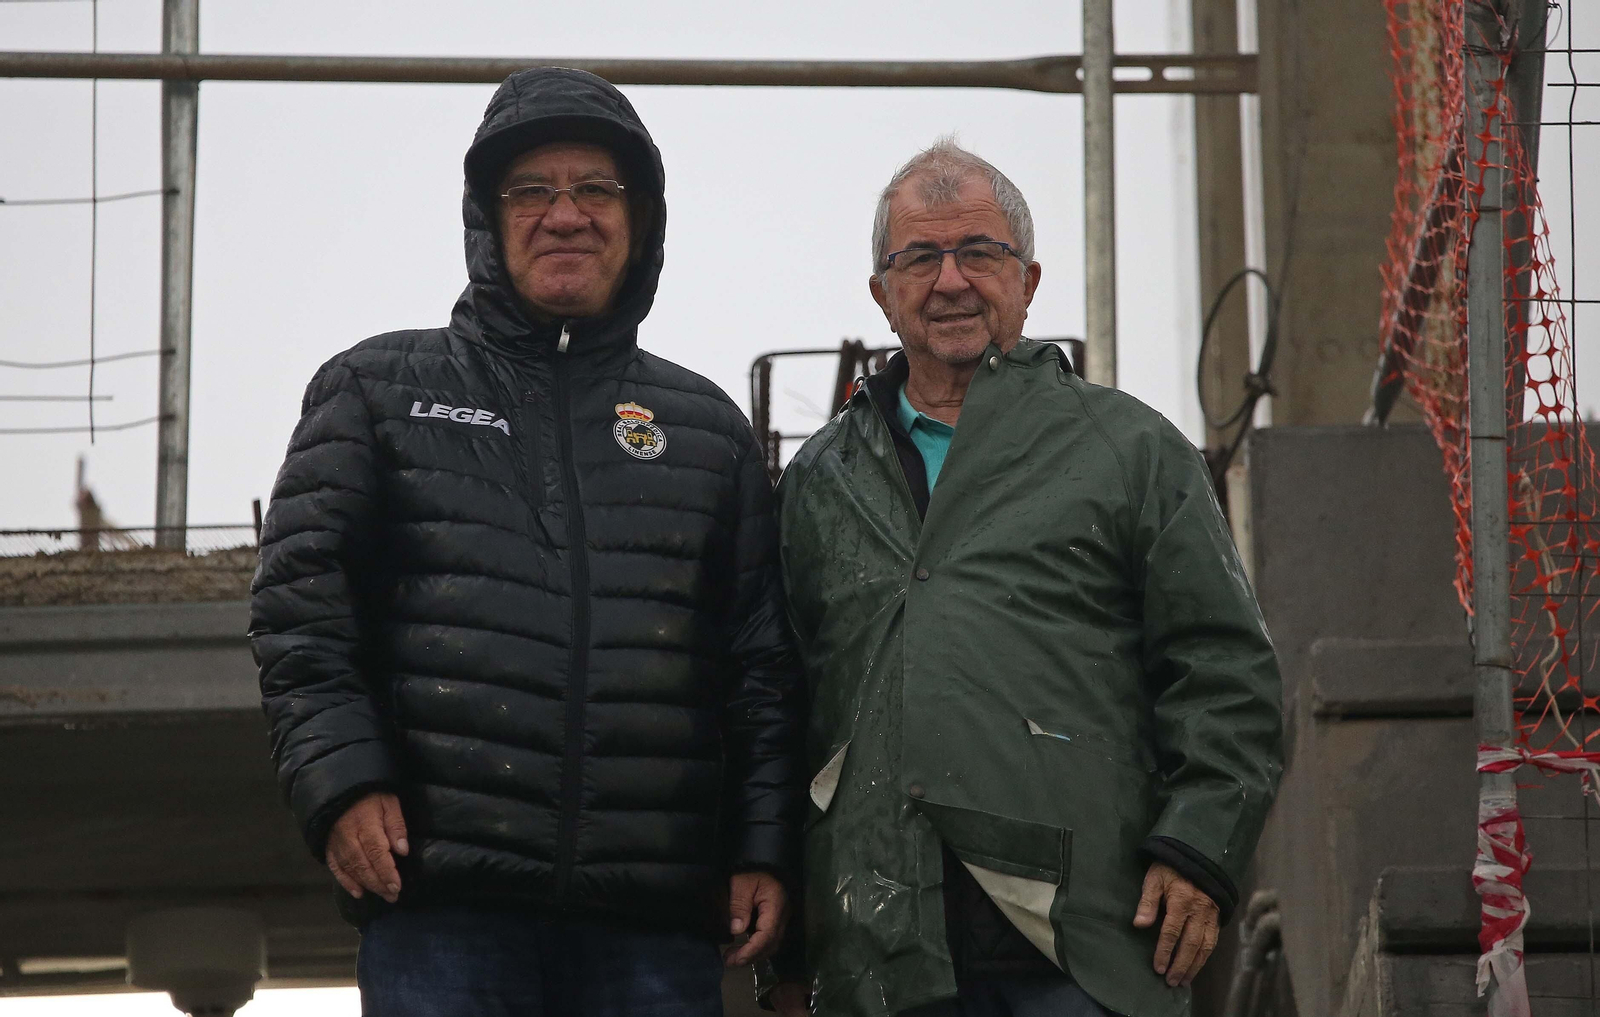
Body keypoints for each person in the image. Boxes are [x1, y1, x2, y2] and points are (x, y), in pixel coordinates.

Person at [250, 67, 804, 1017]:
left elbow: (760, 668)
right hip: (441, 911)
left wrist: (761, 846)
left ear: (642, 222)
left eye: (597, 189)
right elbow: (302, 614)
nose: (566, 215)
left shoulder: (708, 430)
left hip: (655, 930)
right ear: (487, 218)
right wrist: (343, 787)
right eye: (532, 191)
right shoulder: (374, 390)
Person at [769, 138, 1283, 1017]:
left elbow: (1225, 669)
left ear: (1029, 280)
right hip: (883, 957)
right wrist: (786, 922)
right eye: (920, 257)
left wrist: (1199, 848)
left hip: (1085, 943)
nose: (952, 280)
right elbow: (780, 697)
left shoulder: (1129, 448)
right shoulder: (820, 479)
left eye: (980, 252)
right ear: (882, 295)